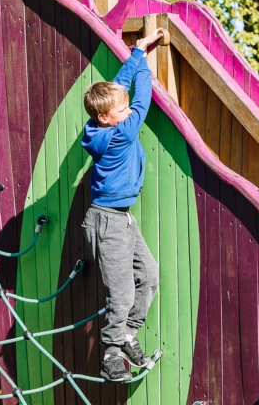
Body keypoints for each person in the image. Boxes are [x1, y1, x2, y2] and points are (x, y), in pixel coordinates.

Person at [81, 29, 165, 381]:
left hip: (123, 219)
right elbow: (142, 100)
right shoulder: (120, 133)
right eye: (122, 109)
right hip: (107, 222)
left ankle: (129, 333)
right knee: (122, 292)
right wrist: (144, 66)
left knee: (149, 276)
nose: (128, 110)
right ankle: (111, 353)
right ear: (107, 117)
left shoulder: (104, 122)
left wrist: (136, 52)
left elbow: (118, 92)